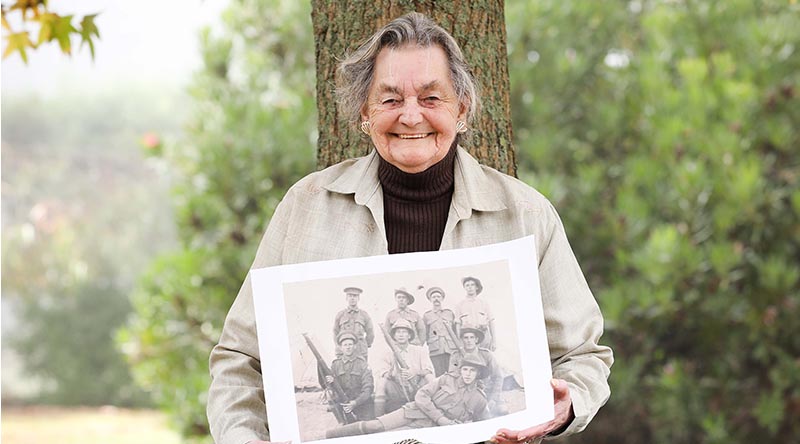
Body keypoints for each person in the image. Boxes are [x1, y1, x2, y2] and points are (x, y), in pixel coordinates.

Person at [207, 12, 613, 444]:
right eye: (390, 99)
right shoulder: (305, 208)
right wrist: (243, 437)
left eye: (431, 98)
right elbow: (239, 359)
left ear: (463, 108)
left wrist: (568, 403)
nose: (411, 116)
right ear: (365, 111)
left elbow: (583, 356)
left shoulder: (526, 215)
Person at [325, 353, 490, 438]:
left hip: (428, 427)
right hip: (413, 410)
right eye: (465, 369)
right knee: (374, 426)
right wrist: (442, 419)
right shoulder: (447, 378)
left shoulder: (479, 399)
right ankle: (328, 436)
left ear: (479, 373)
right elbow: (421, 395)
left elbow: (483, 426)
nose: (467, 374)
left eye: (472, 370)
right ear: (460, 370)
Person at [374, 319, 436, 416]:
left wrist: (415, 372)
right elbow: (382, 372)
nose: (401, 335)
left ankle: (435, 411)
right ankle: (378, 418)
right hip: (397, 390)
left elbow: (429, 370)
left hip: (417, 388)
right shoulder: (387, 352)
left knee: (430, 378)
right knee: (381, 382)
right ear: (394, 336)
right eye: (398, 332)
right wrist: (393, 374)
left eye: (404, 332)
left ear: (409, 335)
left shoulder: (419, 350)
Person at [448, 325, 507, 417]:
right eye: (466, 338)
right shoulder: (456, 356)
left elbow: (498, 377)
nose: (469, 340)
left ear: (476, 340)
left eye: (472, 337)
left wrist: (493, 399)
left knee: (502, 411)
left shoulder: (486, 355)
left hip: (488, 391)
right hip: (467, 394)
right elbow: (452, 378)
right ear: (462, 340)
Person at [325, 331, 375, 422]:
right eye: (345, 345)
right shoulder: (335, 365)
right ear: (340, 348)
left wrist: (355, 403)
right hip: (344, 404)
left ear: (355, 346)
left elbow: (368, 388)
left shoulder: (362, 363)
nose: (348, 347)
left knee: (367, 427)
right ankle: (341, 421)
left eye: (350, 344)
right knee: (345, 428)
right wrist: (331, 382)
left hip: (361, 403)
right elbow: (331, 388)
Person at [422, 286, 458, 376]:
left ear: (442, 298)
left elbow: (455, 331)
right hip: (435, 349)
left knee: (452, 373)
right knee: (438, 374)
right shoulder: (427, 315)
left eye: (438, 297)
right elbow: (424, 333)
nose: (436, 299)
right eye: (434, 297)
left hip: (450, 349)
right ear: (430, 299)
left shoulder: (449, 313)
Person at [455, 276, 497, 351]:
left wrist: (494, 341)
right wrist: (459, 342)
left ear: (476, 287)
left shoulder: (484, 303)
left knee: (485, 359)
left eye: (472, 285)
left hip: (484, 336)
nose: (470, 287)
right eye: (467, 285)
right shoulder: (460, 305)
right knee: (471, 360)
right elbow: (458, 324)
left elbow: (491, 322)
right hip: (469, 339)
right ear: (464, 288)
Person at [332, 286, 375, 358]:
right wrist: (339, 346)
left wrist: (364, 345)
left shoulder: (364, 315)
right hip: (343, 352)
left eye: (355, 296)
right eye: (350, 296)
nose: (352, 298)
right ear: (346, 298)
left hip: (360, 351)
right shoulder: (340, 315)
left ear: (358, 298)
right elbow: (335, 332)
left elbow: (370, 333)